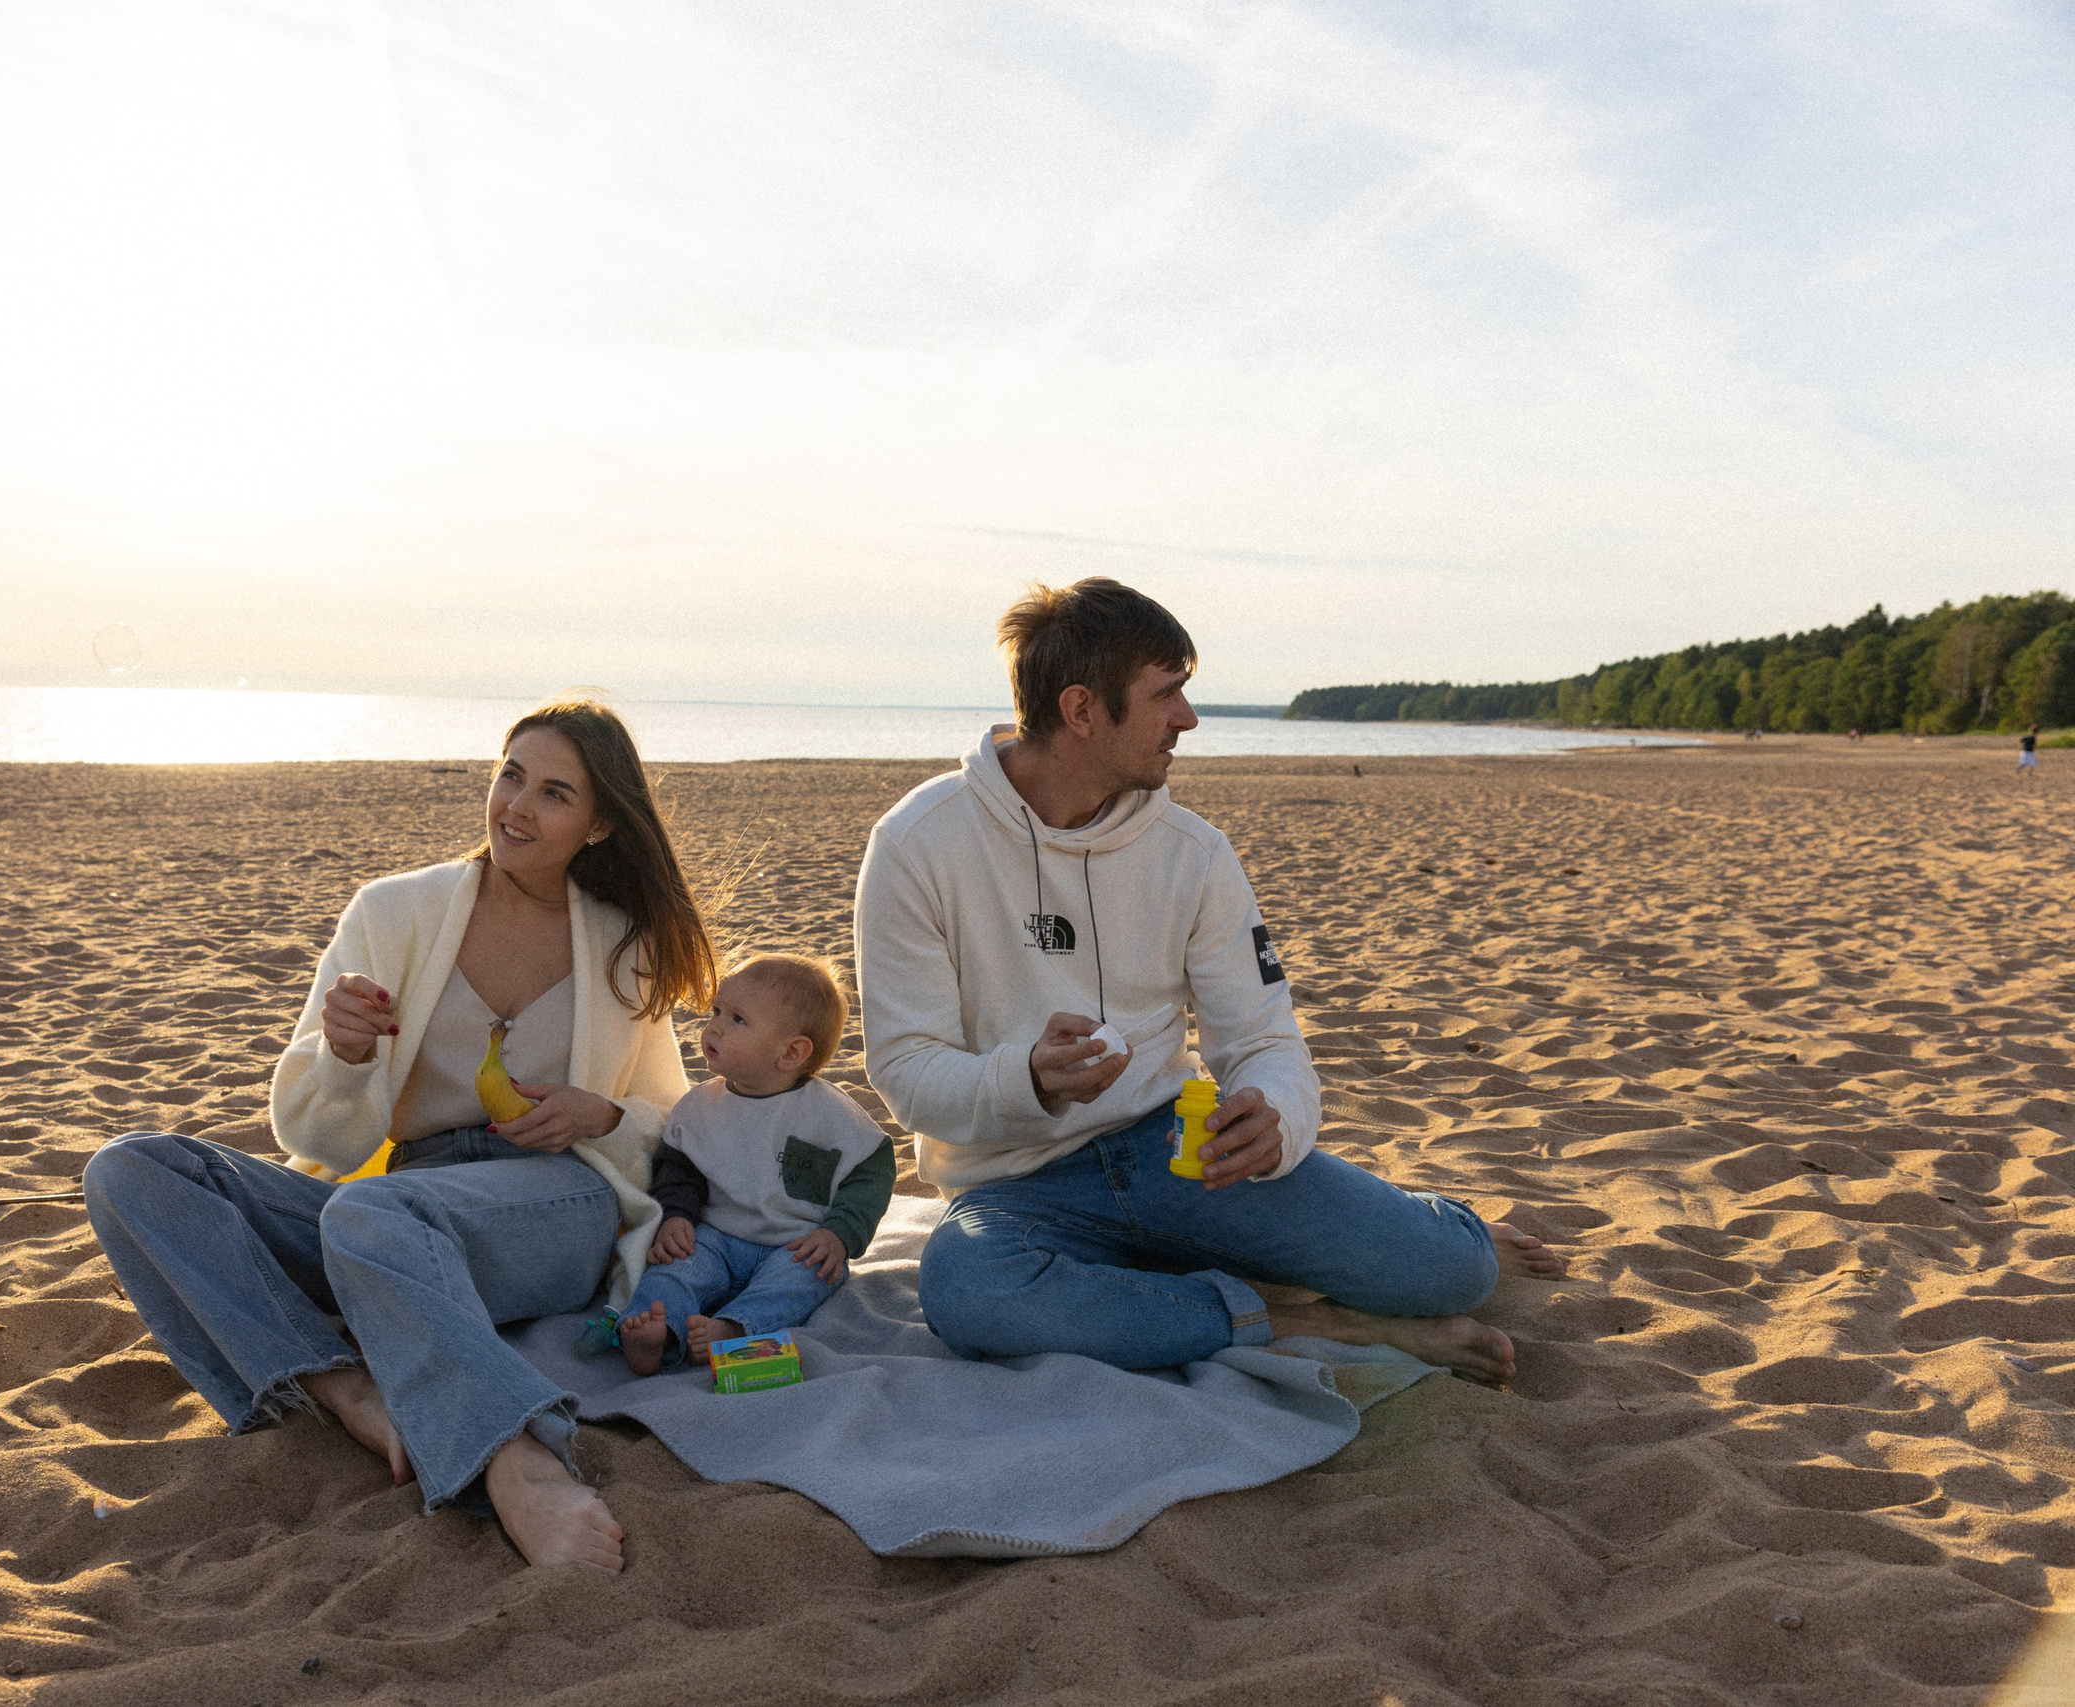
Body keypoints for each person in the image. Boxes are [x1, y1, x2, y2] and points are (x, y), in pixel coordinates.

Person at [854, 578, 1563, 1382]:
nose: (1187, 719)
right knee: (969, 1293)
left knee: (1455, 1275)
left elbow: (1263, 1037)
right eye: (1167, 696)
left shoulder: (1194, 854)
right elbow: (907, 1071)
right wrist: (1027, 1079)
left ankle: (1437, 1229)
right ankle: (1297, 1318)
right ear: (1083, 711)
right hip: (1015, 1190)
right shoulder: (919, 842)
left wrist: (1277, 1117)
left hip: (1180, 1155)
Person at [83, 701, 711, 1576]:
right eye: (510, 774)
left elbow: (672, 1123)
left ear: (600, 824)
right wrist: (340, 1055)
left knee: (370, 1216)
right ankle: (345, 1387)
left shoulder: (625, 944)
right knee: (131, 1169)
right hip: (392, 1214)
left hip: (556, 1199)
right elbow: (319, 1139)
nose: (517, 806)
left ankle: (513, 1455)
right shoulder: (394, 912)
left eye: (554, 793)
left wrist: (600, 1115)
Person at [617, 954, 896, 1374]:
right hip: (717, 1237)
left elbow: (872, 1170)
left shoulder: (828, 1113)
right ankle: (657, 1333)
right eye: (717, 1012)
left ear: (791, 1053)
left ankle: (733, 1329)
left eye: (738, 1020)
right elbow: (680, 1169)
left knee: (803, 1281)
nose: (714, 1026)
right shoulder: (700, 1107)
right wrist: (676, 1216)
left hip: (796, 1245)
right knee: (673, 1265)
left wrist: (839, 1233)